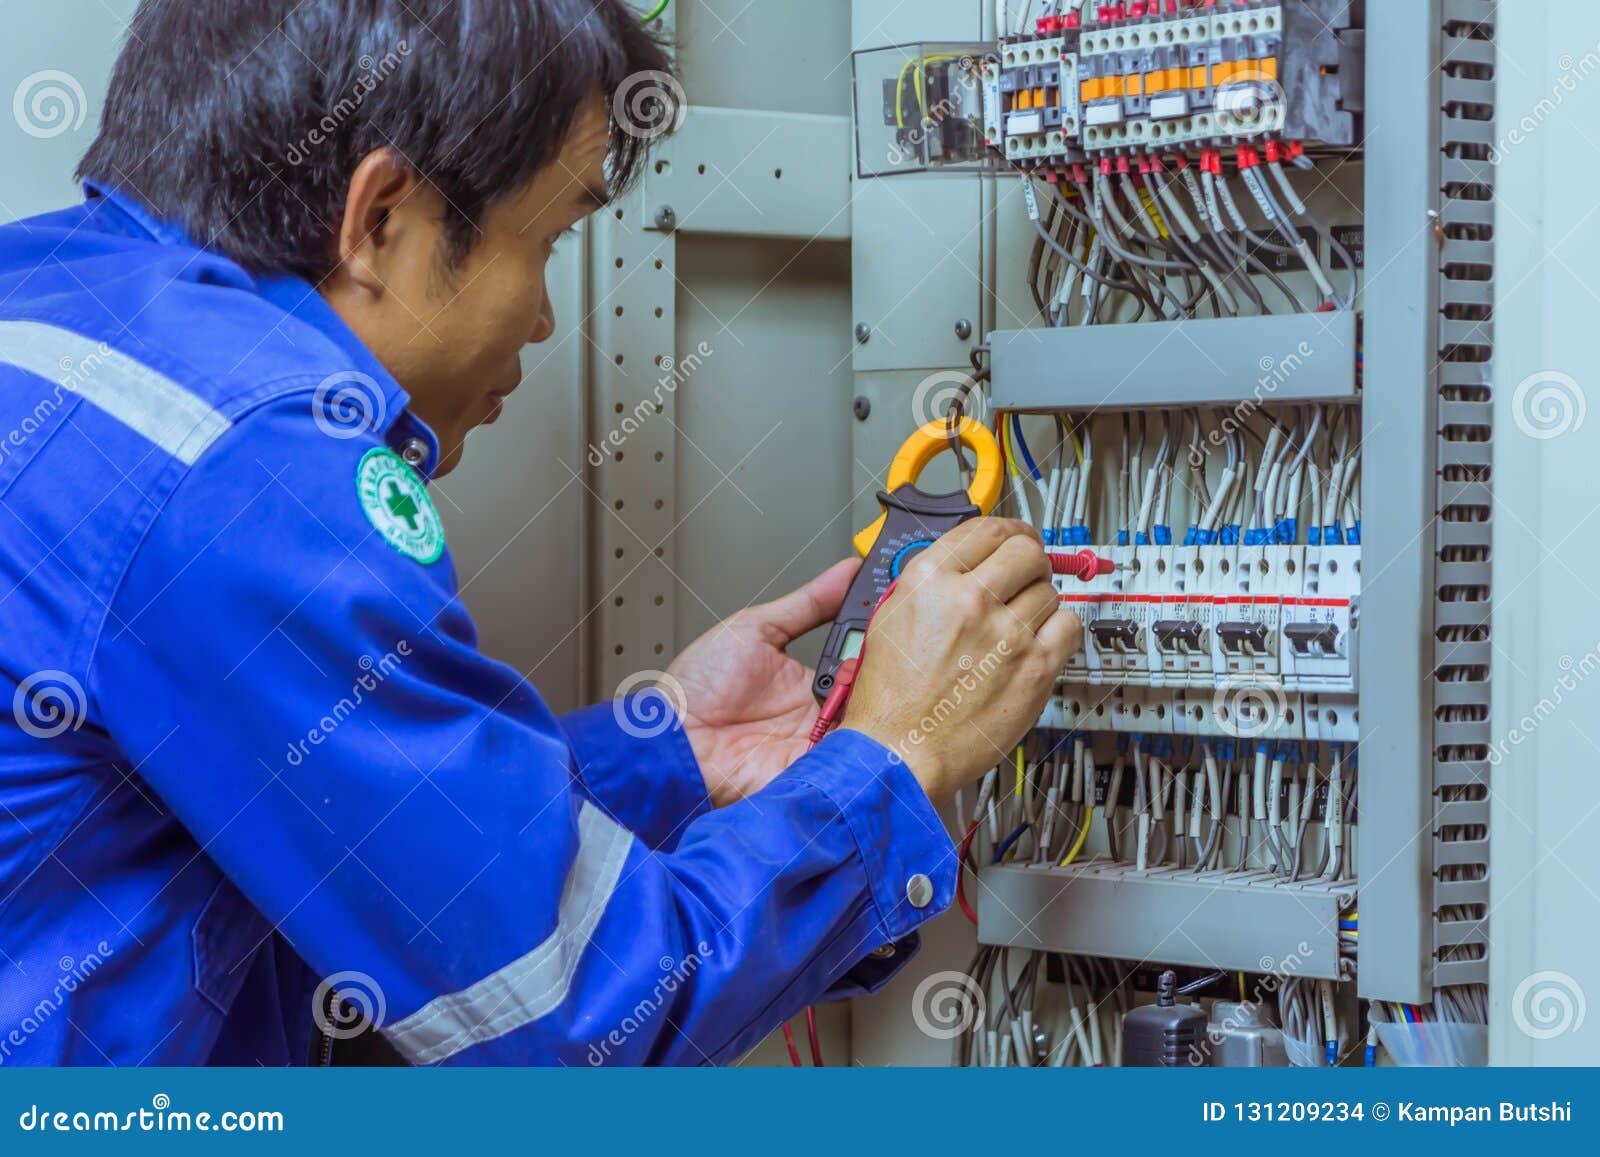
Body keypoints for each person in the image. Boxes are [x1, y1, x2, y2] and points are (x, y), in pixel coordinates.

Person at [0, 0, 1080, 1066]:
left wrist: (669, 752)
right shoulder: (246, 471)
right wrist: (895, 756)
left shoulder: (46, 305)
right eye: (551, 238)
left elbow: (330, 818)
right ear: (382, 216)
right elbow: (569, 1026)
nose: (544, 318)